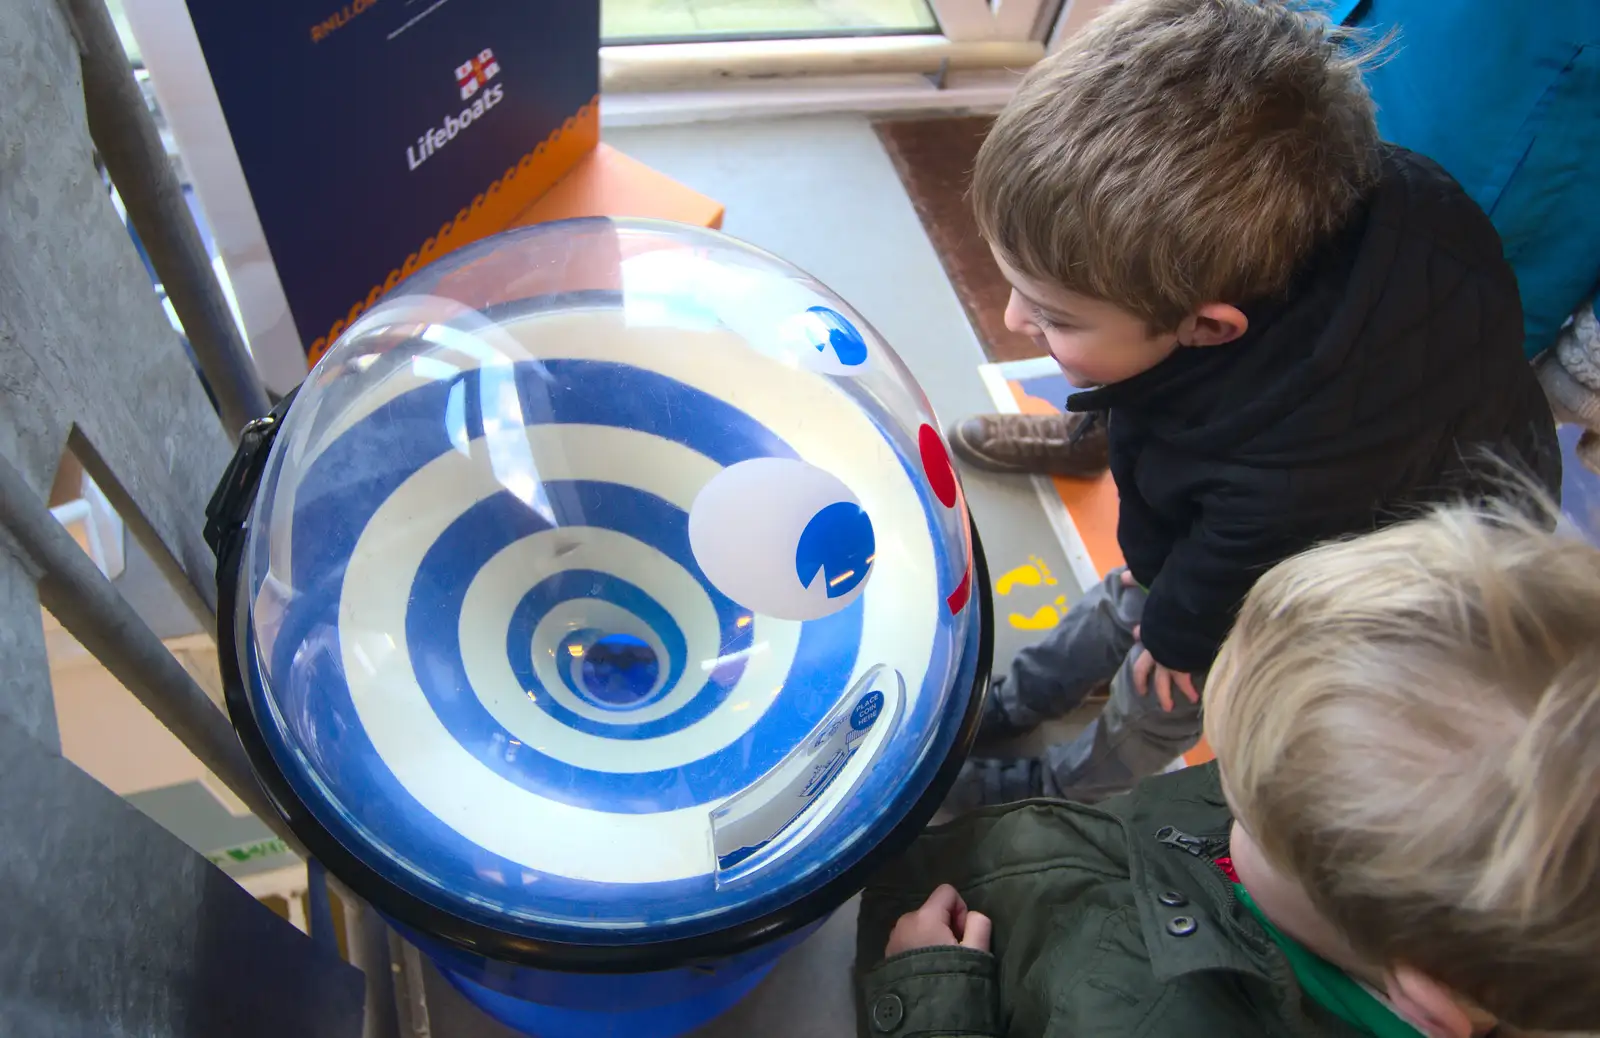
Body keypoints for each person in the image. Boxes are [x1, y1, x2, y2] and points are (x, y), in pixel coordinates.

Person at [944, 0, 1559, 808]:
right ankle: (1023, 696)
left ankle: (1064, 786)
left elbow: (1243, 555)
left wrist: (1178, 638)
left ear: (1206, 326)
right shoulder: (1375, 194)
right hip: (1301, 490)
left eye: (1053, 315)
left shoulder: (1293, 460)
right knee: (1138, 588)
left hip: (1353, 560)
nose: (1014, 322)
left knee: (1161, 688)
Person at [857, 506, 1600, 1038]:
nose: (1220, 782)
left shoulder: (1138, 1015)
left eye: (1245, 799)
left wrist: (928, 993)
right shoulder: (1365, 896)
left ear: (1426, 1000)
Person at [951, 0, 1600, 480]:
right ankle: (1109, 429)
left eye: (1044, 312)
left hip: (1503, 154)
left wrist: (1586, 369)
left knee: (1308, 431)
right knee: (1137, 294)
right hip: (1287, 69)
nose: (1013, 319)